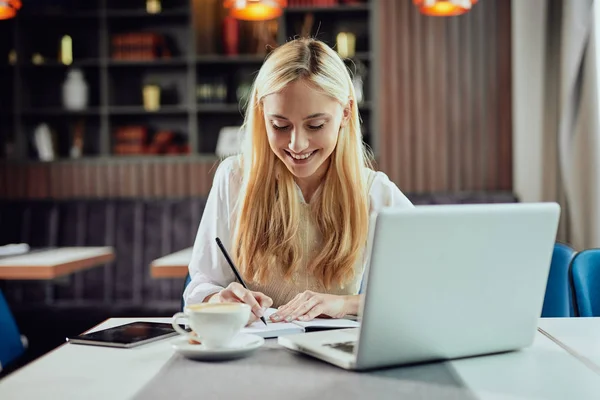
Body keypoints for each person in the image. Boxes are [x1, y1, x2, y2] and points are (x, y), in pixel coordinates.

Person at [184, 38, 413, 324]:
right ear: (261, 114)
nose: (297, 144)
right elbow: (199, 286)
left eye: (315, 125)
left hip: (334, 355)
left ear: (345, 113)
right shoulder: (234, 178)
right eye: (279, 125)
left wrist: (344, 304)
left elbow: (422, 293)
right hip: (255, 354)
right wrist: (218, 298)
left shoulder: (375, 193)